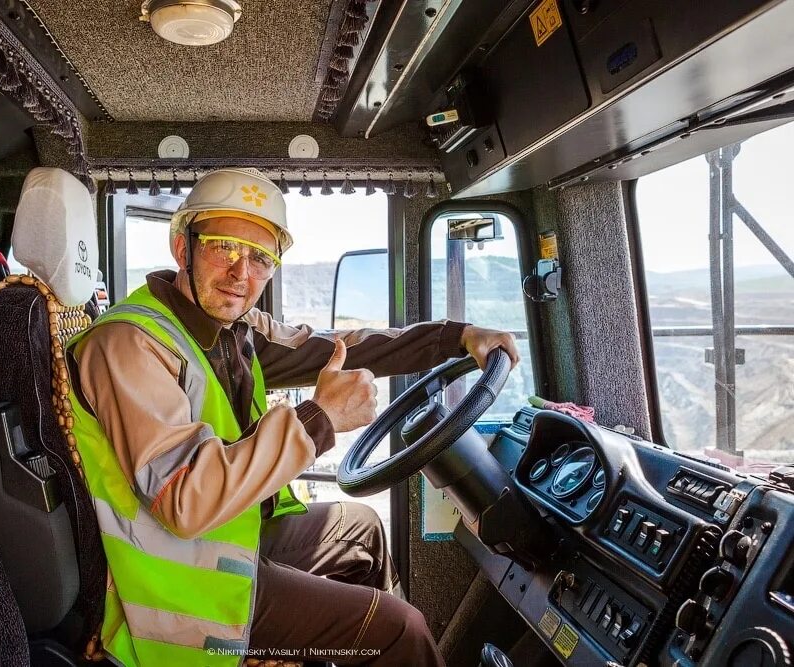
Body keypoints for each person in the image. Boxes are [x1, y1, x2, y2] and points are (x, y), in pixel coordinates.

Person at [65, 168, 519, 667]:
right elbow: (184, 500)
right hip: (180, 582)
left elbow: (340, 348)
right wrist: (319, 419)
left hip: (232, 534)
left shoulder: (234, 328)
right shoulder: (129, 345)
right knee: (398, 629)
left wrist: (454, 337)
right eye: (224, 247)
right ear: (182, 247)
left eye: (260, 258)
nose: (242, 272)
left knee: (361, 530)